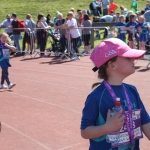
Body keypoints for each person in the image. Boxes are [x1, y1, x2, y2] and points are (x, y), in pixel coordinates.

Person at [80, 38, 150, 150]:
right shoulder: (96, 97)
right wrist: (107, 127)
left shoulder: (132, 90)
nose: (133, 60)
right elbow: (85, 131)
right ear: (112, 66)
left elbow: (145, 122)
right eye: (128, 57)